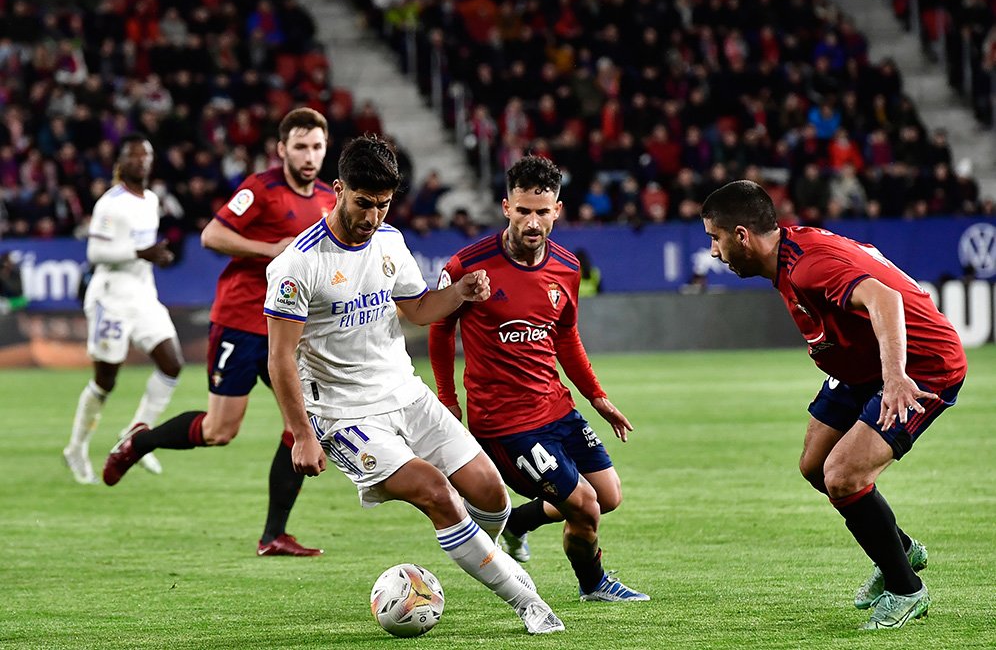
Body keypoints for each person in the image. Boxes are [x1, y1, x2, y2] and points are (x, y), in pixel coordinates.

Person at [266, 135, 562, 634]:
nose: (373, 216)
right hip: (344, 415)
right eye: (363, 203)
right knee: (434, 491)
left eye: (383, 205)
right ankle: (528, 601)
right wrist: (301, 433)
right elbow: (279, 359)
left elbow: (420, 309)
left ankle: (474, 554)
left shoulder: (389, 242)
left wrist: (462, 293)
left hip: (406, 392)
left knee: (492, 494)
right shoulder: (299, 265)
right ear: (338, 190)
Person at [701, 180, 967, 630]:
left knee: (843, 476)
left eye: (715, 237)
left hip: (920, 367)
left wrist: (896, 375)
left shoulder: (809, 266)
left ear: (742, 235)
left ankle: (907, 590)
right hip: (863, 367)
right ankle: (899, 548)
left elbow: (886, 297)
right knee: (814, 465)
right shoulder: (790, 253)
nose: (713, 251)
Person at [103, 108, 334, 558]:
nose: (309, 156)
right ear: (282, 149)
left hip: (286, 328)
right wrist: (271, 249)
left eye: (317, 147)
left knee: (303, 425)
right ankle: (139, 440)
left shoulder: (329, 198)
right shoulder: (260, 190)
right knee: (219, 430)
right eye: (301, 146)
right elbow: (211, 235)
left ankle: (273, 536)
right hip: (241, 320)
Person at [429, 155, 649, 603]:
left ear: (557, 210)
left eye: (542, 211)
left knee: (607, 495)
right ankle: (594, 585)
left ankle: (519, 522)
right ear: (506, 207)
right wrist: (448, 401)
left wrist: (598, 396)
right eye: (524, 210)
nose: (533, 221)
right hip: (504, 423)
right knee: (584, 506)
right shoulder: (469, 265)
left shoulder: (566, 268)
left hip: (557, 407)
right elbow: (439, 328)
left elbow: (567, 338)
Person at [63, 133, 182, 485]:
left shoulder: (150, 199)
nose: (141, 160)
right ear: (121, 162)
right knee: (106, 380)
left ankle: (134, 437)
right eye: (133, 155)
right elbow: (95, 254)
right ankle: (76, 448)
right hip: (110, 297)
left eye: (146, 154)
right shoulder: (110, 204)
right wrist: (142, 253)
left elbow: (144, 249)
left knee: (172, 365)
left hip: (143, 294)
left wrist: (157, 257)